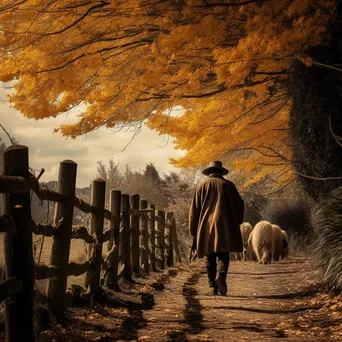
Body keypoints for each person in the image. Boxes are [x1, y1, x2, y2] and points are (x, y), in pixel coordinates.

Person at [189, 160, 244, 296]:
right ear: (221, 172)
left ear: (208, 172)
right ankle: (221, 277)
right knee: (223, 254)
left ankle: (212, 287)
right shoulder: (229, 185)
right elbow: (240, 205)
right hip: (225, 224)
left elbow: (194, 211)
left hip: (206, 225)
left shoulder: (201, 186)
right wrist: (236, 221)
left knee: (210, 256)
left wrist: (193, 230)